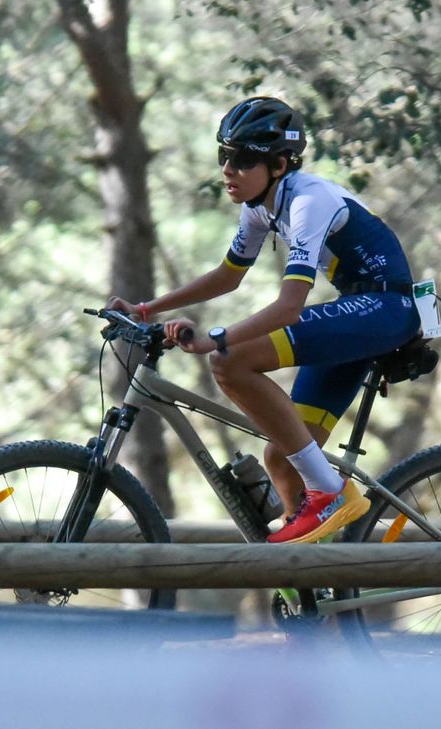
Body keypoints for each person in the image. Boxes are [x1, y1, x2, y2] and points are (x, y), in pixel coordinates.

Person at [108, 96, 421, 544]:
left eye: (242, 160)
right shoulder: (260, 207)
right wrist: (146, 308)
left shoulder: (308, 202)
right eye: (224, 156)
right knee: (280, 460)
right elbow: (227, 276)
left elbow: (289, 307)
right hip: (362, 309)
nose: (228, 170)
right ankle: (313, 575)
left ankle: (331, 494)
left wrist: (216, 339)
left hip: (387, 308)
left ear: (279, 165)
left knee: (230, 361)